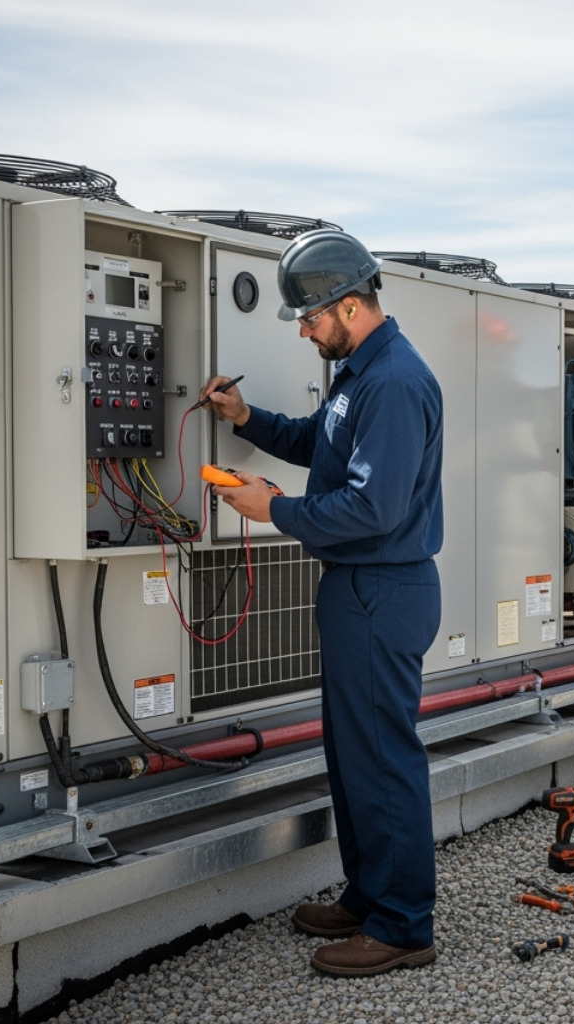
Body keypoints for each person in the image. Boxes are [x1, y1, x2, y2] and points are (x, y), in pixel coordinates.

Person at [202, 229, 443, 977]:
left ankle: (404, 926)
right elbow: (322, 446)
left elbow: (372, 507)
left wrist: (274, 511)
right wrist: (249, 421)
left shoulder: (394, 381)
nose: (303, 332)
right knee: (354, 757)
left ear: (348, 305)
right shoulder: (361, 371)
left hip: (382, 585)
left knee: (382, 758)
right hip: (361, 587)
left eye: (308, 319)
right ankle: (371, 896)